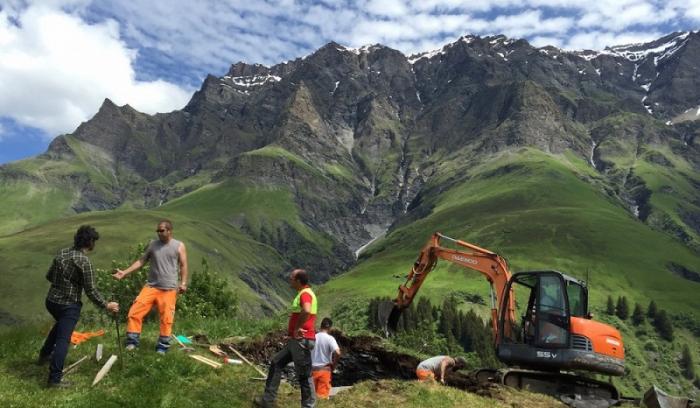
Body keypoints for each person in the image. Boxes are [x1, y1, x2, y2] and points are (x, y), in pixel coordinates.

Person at [39, 225, 119, 388]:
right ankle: (54, 379)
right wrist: (106, 305)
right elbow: (91, 290)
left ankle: (44, 355)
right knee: (63, 339)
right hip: (69, 305)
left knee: (60, 327)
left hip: (51, 301)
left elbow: (49, 276)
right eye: (94, 241)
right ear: (90, 242)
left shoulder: (61, 253)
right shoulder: (84, 262)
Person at [112, 219, 188, 354]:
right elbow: (141, 261)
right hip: (151, 286)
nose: (159, 233)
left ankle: (162, 347)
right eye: (157, 230)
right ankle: (132, 343)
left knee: (166, 318)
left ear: (169, 231)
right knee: (135, 312)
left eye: (162, 230)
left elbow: (183, 265)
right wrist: (124, 273)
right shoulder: (153, 245)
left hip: (169, 288)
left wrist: (183, 283)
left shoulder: (179, 246)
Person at [255, 269, 317, 408]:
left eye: (292, 278)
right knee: (276, 363)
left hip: (301, 341)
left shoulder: (305, 294)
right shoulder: (304, 293)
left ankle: (309, 406)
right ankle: (267, 401)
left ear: (298, 281)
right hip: (296, 341)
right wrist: (291, 333)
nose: (290, 280)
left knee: (304, 375)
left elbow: (306, 310)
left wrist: (296, 329)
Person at [311, 317, 341, 399]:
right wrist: (334, 365)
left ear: (321, 326)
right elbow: (338, 352)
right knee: (322, 398)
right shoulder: (330, 339)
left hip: (312, 370)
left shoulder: (313, 337)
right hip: (324, 370)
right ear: (330, 328)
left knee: (311, 398)